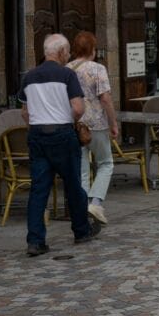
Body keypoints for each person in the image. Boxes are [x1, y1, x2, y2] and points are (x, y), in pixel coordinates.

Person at [19, 33, 100, 257]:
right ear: (62, 52)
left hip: (37, 134)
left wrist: (35, 123)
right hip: (62, 132)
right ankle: (81, 230)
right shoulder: (67, 75)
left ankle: (35, 241)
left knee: (39, 189)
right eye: (66, 52)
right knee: (73, 184)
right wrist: (68, 120)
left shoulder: (29, 77)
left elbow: (25, 112)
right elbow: (78, 107)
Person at [67, 31, 119, 224]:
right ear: (92, 50)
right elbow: (105, 98)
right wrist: (113, 123)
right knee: (105, 163)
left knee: (81, 169)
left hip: (75, 124)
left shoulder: (67, 69)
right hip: (96, 124)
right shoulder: (98, 69)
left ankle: (81, 209)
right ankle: (95, 203)